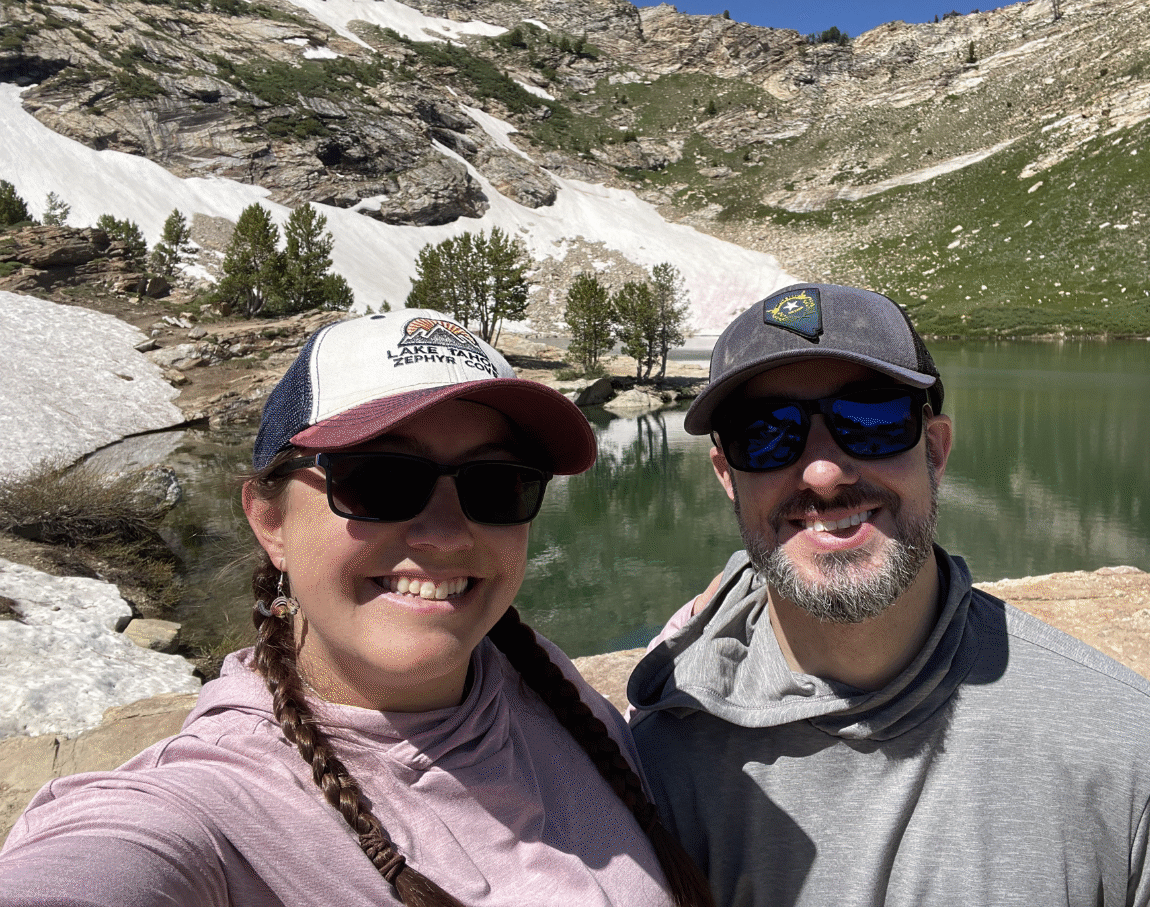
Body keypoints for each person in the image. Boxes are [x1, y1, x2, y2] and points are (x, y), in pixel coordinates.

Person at [0, 309, 712, 907]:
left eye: (497, 484)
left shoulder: (533, 676)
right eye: (378, 479)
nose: (443, 533)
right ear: (269, 521)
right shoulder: (206, 808)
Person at [628, 283, 1150, 907]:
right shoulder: (654, 757)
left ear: (937, 451)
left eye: (870, 419)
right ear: (727, 477)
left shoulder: (1125, 747)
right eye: (764, 434)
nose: (823, 471)